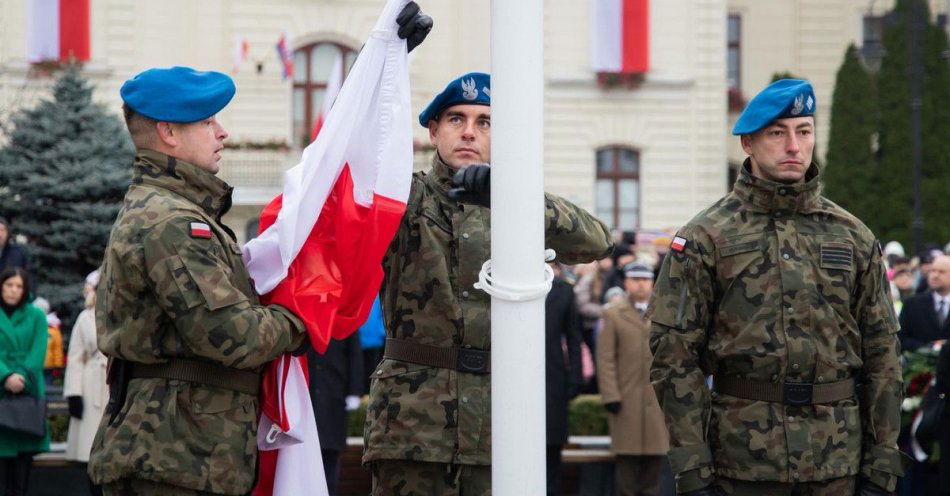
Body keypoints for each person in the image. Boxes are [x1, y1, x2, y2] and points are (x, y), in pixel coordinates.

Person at [649, 79, 907, 496]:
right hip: (743, 464)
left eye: (803, 131)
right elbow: (674, 355)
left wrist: (883, 460)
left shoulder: (851, 236)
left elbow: (883, 352)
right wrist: (692, 466)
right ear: (748, 143)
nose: (793, 146)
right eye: (777, 133)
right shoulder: (705, 238)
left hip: (837, 462)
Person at [362, 71, 614, 495]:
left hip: (502, 423)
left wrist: (514, 196)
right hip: (412, 423)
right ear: (433, 130)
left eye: (485, 122)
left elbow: (596, 240)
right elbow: (353, 166)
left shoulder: (517, 204)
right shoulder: (404, 196)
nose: (468, 132)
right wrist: (386, 59)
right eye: (456, 119)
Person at [87, 67, 311, 496]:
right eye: (208, 121)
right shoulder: (171, 222)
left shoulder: (176, 212)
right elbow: (232, 335)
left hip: (183, 454)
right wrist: (301, 320)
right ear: (169, 132)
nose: (222, 133)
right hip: (172, 460)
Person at [597, 262, 670, 496]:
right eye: (635, 279)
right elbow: (606, 358)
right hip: (626, 400)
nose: (641, 284)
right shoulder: (613, 312)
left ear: (653, 283)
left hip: (656, 401)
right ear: (626, 282)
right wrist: (610, 395)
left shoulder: (663, 312)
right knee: (626, 472)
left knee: (653, 470)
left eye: (646, 279)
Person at [0, 267, 50, 496]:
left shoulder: (36, 315)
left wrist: (21, 376)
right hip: (2, 390)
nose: (13, 290)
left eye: (19, 286)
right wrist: (5, 376)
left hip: (27, 392)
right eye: (9, 284)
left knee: (22, 473)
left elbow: (38, 351)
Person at [63, 270, 108, 496]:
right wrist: (74, 394)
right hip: (92, 387)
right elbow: (75, 357)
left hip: (116, 384)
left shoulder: (124, 314)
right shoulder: (85, 317)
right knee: (91, 454)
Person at [307, 333, 363, 495]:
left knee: (329, 455)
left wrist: (354, 391)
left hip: (334, 396)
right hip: (307, 395)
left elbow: (354, 355)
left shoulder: (344, 315)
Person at [544, 263, 583, 495]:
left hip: (554, 378)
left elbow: (573, 337)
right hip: (514, 378)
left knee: (552, 449)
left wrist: (575, 377)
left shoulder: (563, 291)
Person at [898, 255, 950, 353]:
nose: (935, 275)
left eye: (941, 272)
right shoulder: (912, 304)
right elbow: (901, 339)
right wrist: (930, 347)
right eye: (933, 271)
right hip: (919, 365)